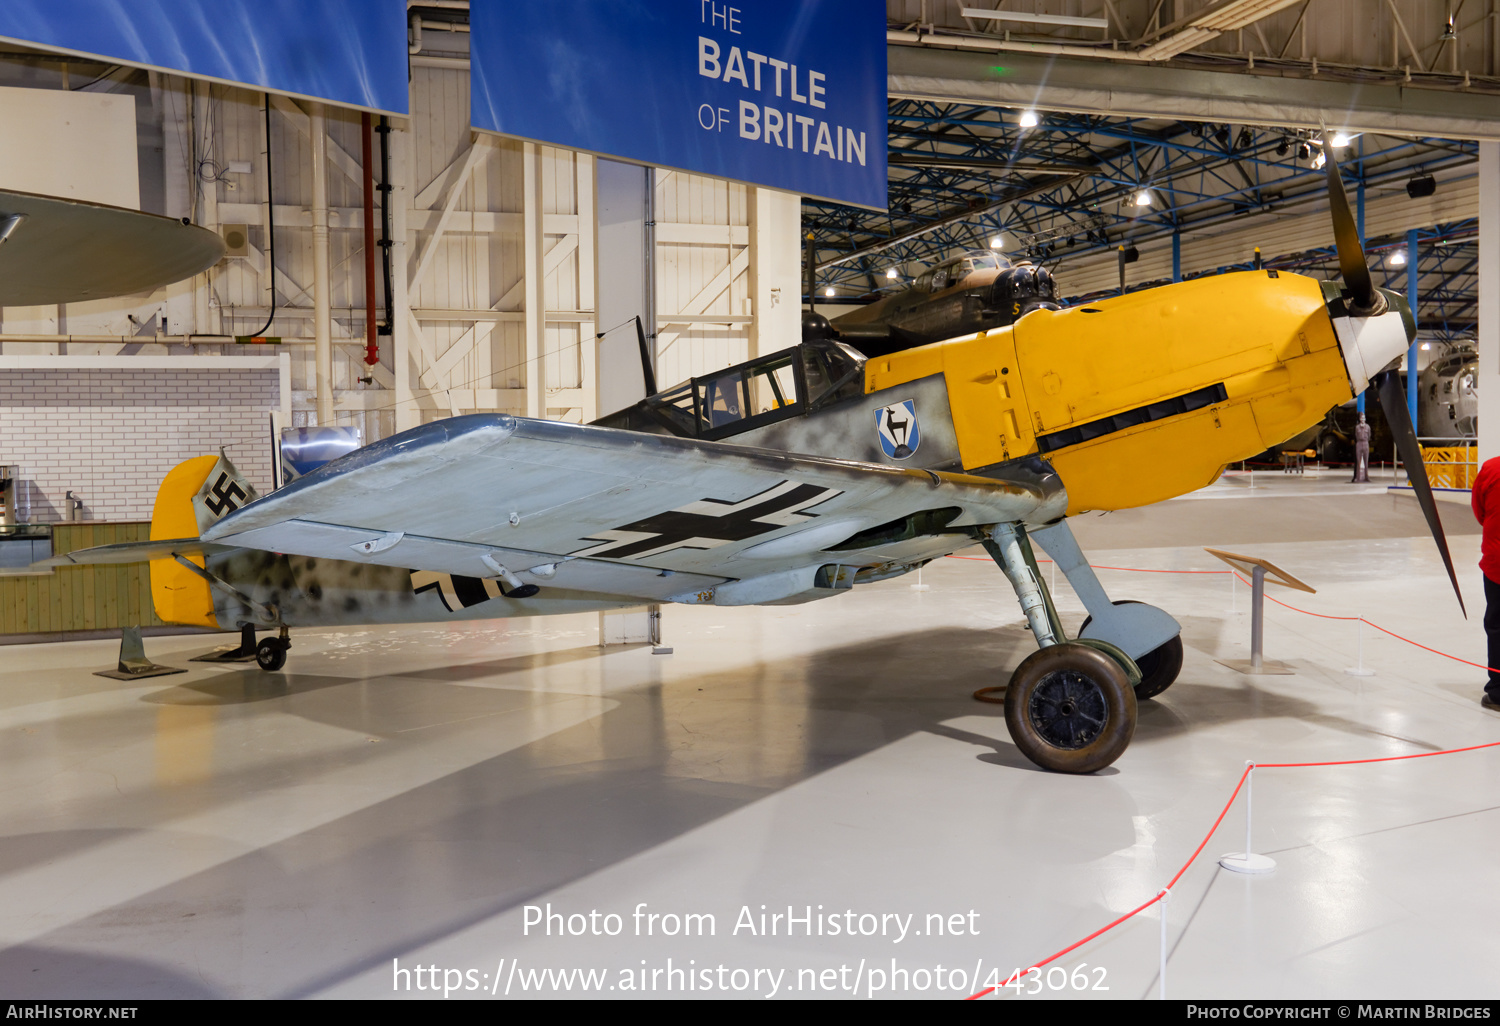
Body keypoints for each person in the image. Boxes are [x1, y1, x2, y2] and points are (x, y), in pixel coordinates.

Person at [1470, 454, 1500, 710]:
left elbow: (1479, 511)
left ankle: (1499, 692)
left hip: (1497, 564)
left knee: (1498, 626)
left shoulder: (1491, 469)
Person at [1351, 412, 1371, 483]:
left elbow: (1369, 436)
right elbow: (1356, 435)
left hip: (1365, 443)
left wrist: (1365, 441)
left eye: (1364, 418)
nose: (1363, 419)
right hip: (1359, 443)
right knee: (1358, 461)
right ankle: (1358, 477)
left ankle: (1366, 477)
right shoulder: (1357, 427)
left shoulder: (1368, 427)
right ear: (1360, 419)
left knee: (1366, 461)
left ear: (1365, 419)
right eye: (1361, 418)